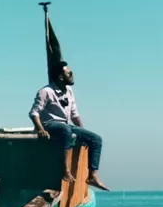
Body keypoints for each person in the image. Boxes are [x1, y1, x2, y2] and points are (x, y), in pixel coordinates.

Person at [30, 62, 108, 190]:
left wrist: (82, 132)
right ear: (61, 77)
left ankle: (92, 176)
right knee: (66, 130)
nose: (72, 75)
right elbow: (34, 113)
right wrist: (41, 129)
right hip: (49, 124)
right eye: (69, 73)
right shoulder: (46, 91)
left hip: (65, 125)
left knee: (96, 139)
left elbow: (74, 114)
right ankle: (65, 169)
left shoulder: (69, 91)